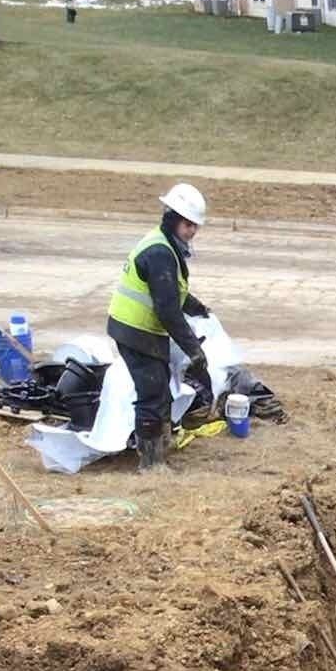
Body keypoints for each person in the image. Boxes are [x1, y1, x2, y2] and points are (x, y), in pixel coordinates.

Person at [106, 184, 213, 470]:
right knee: (152, 393)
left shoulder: (165, 245)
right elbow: (166, 309)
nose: (192, 231)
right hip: (134, 330)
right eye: (188, 224)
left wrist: (196, 307)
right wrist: (193, 350)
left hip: (141, 329)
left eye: (195, 226)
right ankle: (150, 464)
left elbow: (171, 291)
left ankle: (160, 446)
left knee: (160, 389)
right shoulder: (160, 253)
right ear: (172, 218)